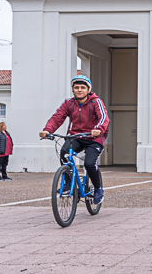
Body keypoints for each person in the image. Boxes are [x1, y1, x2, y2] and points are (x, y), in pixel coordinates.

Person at [39, 75, 109, 205]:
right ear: (73, 89)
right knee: (64, 153)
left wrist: (99, 129)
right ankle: (68, 183)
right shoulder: (68, 103)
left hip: (94, 137)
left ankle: (98, 189)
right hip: (76, 136)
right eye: (76, 87)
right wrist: (48, 130)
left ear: (88, 90)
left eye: (83, 87)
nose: (79, 90)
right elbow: (57, 117)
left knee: (89, 163)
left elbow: (104, 118)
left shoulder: (95, 102)